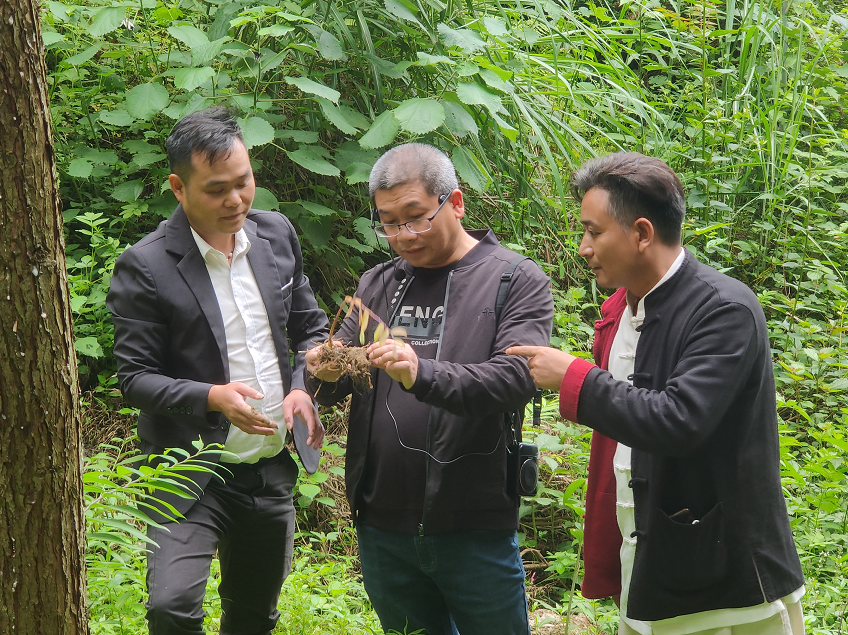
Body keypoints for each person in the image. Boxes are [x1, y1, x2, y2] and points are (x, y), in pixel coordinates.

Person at [508, 152, 805, 635]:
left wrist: (574, 378)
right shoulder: (621, 309)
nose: (583, 247)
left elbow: (678, 420)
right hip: (651, 560)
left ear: (642, 233)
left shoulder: (724, 309)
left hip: (723, 571)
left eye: (594, 231)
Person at [304, 143, 553, 635]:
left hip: (472, 523)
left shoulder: (513, 279)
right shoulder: (377, 282)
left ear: (454, 202)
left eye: (416, 217)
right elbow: (340, 367)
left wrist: (422, 372)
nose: (403, 235)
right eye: (388, 222)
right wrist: (322, 369)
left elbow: (514, 380)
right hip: (381, 521)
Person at [106, 106, 328, 635]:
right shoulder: (147, 265)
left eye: (243, 182)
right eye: (215, 189)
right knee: (171, 609)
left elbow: (312, 330)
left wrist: (303, 387)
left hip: (270, 467)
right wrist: (212, 396)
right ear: (178, 188)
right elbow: (135, 377)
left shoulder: (275, 236)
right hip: (189, 470)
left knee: (254, 615)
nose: (235, 201)